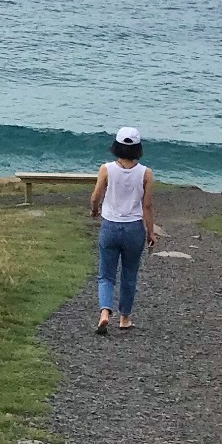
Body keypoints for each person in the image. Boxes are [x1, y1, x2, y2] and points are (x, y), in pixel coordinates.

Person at [89, 126, 157, 333]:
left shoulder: (106, 169)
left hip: (110, 225)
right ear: (138, 148)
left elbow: (96, 196)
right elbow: (147, 206)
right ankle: (124, 318)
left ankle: (104, 313)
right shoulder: (146, 173)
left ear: (116, 146)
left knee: (106, 274)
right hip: (134, 228)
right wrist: (150, 232)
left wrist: (94, 210)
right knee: (129, 274)